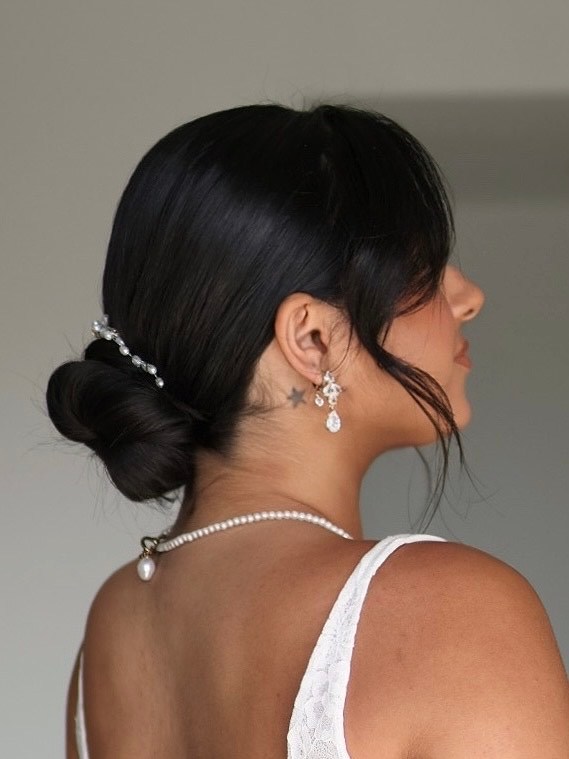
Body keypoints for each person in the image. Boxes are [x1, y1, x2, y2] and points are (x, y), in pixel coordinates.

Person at [46, 102, 569, 758]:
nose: (468, 297)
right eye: (423, 268)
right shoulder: (454, 612)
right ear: (313, 338)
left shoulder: (114, 627)